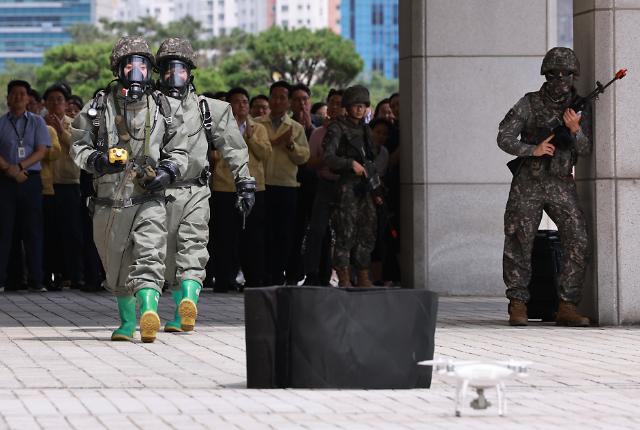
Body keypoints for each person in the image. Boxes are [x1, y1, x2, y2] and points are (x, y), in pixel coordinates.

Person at [70, 36, 188, 342]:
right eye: (129, 65)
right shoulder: (98, 106)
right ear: (118, 69)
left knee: (150, 254)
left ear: (150, 71)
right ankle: (126, 323)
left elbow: (179, 149)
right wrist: (97, 160)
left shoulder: (163, 106)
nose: (136, 73)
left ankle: (149, 310)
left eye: (142, 66)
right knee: (116, 265)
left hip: (149, 197)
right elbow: (78, 144)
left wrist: (167, 172)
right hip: (109, 200)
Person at [154, 38, 254, 331]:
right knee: (165, 255)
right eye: (168, 69)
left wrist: (245, 182)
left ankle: (188, 304)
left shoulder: (211, 109)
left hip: (195, 190)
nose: (174, 76)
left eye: (180, 69)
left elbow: (234, 148)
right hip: (156, 192)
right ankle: (179, 307)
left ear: (190, 73)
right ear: (159, 73)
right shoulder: (147, 107)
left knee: (193, 247)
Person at [498, 47, 591, 327]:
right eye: (555, 74)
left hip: (561, 182)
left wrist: (575, 130)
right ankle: (518, 303)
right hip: (529, 182)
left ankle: (567, 305)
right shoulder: (529, 103)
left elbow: (586, 150)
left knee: (578, 239)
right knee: (519, 241)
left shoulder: (578, 107)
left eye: (566, 74)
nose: (561, 79)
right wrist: (532, 149)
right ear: (546, 74)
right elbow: (503, 137)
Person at [210, 86, 269, 291]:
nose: (241, 105)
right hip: (225, 187)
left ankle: (253, 280)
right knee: (225, 236)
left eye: (245, 102)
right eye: (236, 101)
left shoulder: (259, 128)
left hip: (253, 186)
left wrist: (250, 136)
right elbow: (214, 154)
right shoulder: (220, 126)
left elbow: (265, 154)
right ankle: (224, 280)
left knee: (253, 237)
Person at [322, 85, 381, 287]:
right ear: (347, 106)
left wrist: (376, 188)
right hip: (347, 186)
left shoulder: (366, 130)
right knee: (345, 232)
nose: (359, 110)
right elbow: (328, 157)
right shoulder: (337, 128)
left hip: (365, 187)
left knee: (367, 231)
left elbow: (372, 159)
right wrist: (349, 164)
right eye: (356, 105)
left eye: (363, 106)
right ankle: (344, 277)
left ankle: (363, 275)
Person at [254, 81, 309, 285]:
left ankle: (278, 274)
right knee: (261, 232)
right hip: (261, 185)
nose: (278, 101)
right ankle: (261, 275)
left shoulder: (296, 128)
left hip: (287, 187)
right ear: (269, 99)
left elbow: (303, 157)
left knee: (284, 234)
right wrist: (275, 142)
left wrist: (290, 144)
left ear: (288, 102)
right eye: (274, 97)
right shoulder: (257, 123)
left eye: (282, 97)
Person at [0, 80, 51, 292]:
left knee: (33, 231)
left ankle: (36, 281)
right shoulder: (1, 123)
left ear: (28, 98)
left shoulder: (37, 122)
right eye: (14, 94)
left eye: (23, 93)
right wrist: (9, 169)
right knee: (5, 231)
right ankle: (4, 280)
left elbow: (42, 150)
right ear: (7, 98)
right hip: (5, 181)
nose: (19, 97)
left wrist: (20, 166)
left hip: (30, 179)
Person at [44, 83, 84, 290]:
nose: (55, 103)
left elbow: (79, 149)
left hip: (69, 184)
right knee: (52, 233)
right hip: (48, 186)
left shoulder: (76, 123)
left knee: (72, 233)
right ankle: (55, 275)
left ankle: (76, 275)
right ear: (45, 103)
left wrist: (61, 130)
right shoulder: (39, 124)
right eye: (51, 100)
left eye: (59, 100)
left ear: (66, 103)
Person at [303, 88, 344, 286]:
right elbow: (311, 162)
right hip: (325, 185)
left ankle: (346, 275)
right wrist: (329, 161)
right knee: (317, 230)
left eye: (340, 103)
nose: (335, 107)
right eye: (333, 102)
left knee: (345, 232)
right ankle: (313, 273)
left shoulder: (354, 132)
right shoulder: (319, 132)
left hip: (347, 187)